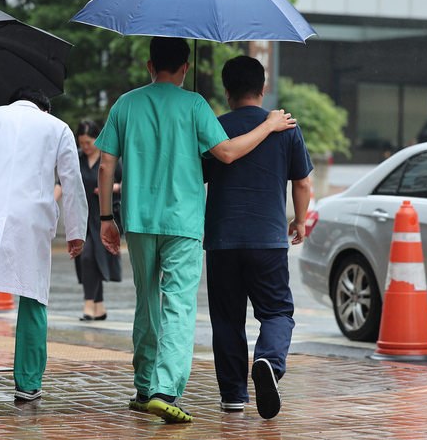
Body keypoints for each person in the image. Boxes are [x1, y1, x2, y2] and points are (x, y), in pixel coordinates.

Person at [95, 37, 296, 423]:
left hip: (137, 220)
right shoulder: (195, 105)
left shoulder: (126, 103)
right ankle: (165, 390)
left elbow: (106, 165)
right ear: (186, 67)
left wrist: (107, 219)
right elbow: (227, 153)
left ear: (150, 65)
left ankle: (142, 386)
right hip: (184, 223)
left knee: (147, 301)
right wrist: (270, 124)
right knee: (179, 304)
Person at [0, 86, 88, 402]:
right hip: (31, 217)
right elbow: (71, 181)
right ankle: (28, 383)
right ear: (43, 108)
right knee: (33, 296)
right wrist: (76, 230)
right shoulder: (57, 127)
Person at [202, 56, 313, 420]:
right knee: (277, 311)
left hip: (221, 239)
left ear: (227, 90)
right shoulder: (285, 127)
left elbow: (195, 176)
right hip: (267, 239)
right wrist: (298, 219)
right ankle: (268, 361)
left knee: (227, 320)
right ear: (263, 89)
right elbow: (303, 181)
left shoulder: (214, 127)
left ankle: (233, 396)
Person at [55, 119, 123, 321]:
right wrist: (51, 202)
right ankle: (99, 307)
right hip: (82, 216)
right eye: (81, 142)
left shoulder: (109, 157)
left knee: (88, 257)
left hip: (103, 216)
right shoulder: (77, 158)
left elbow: (124, 182)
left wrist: (112, 188)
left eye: (88, 142)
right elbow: (62, 181)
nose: (84, 147)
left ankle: (87, 306)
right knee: (91, 260)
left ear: (97, 138)